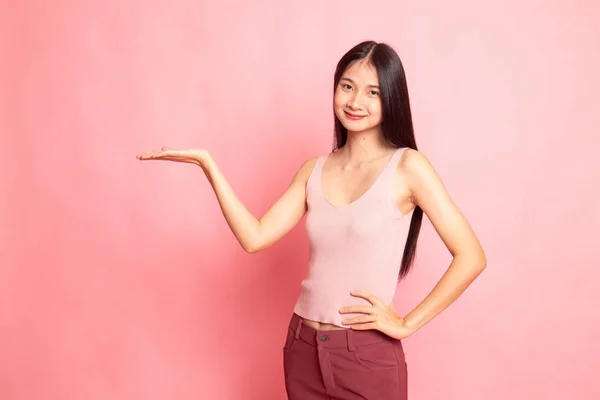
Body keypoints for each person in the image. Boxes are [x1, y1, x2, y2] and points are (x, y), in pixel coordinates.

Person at [136, 40, 487, 400]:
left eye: (372, 92)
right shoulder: (314, 170)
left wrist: (407, 323)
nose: (355, 101)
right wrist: (208, 165)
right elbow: (254, 237)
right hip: (302, 349)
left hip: (368, 355)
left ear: (391, 99)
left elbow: (471, 256)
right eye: (347, 86)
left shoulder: (409, 167)